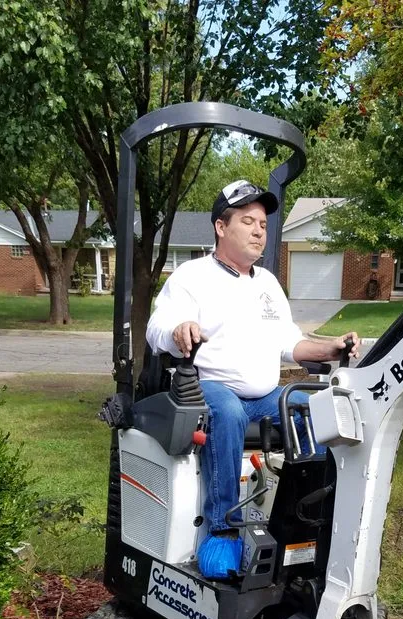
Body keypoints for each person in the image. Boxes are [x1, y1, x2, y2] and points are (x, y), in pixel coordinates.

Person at [146, 179, 360, 579]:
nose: (260, 230)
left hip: (262, 396)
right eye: (248, 221)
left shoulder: (267, 284)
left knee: (310, 409)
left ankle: (305, 520)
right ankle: (223, 530)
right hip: (210, 388)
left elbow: (289, 344)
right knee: (227, 411)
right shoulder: (192, 276)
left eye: (263, 223)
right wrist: (179, 330)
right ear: (221, 227)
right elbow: (157, 327)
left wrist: (330, 347)